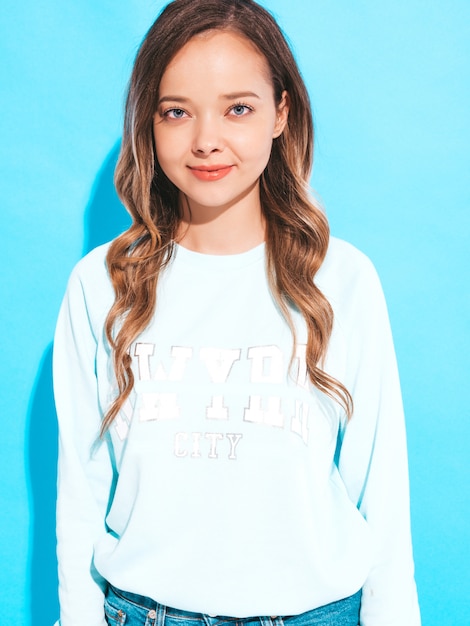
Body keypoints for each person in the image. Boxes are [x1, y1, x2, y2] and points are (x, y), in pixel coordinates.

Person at [53, 1, 421, 625]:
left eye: (238, 108)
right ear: (149, 121)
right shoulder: (101, 282)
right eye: (176, 112)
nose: (206, 140)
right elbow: (80, 492)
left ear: (282, 113)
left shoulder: (343, 279)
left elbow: (381, 496)